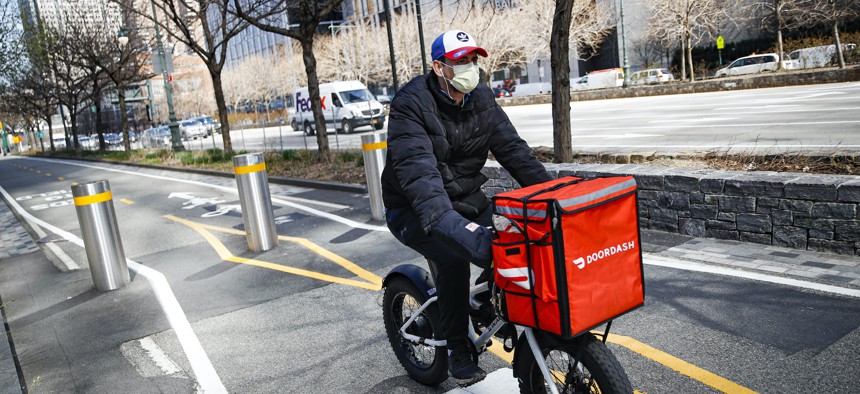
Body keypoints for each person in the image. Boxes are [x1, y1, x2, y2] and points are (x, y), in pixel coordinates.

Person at [381, 30, 553, 386]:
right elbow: (422, 182)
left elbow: (516, 153)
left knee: (519, 235)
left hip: (467, 201)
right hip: (413, 208)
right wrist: (465, 235)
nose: (469, 68)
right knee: (455, 256)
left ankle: (490, 305)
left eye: (472, 60)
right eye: (460, 61)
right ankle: (459, 347)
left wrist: (554, 197)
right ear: (438, 67)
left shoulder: (482, 98)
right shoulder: (410, 104)